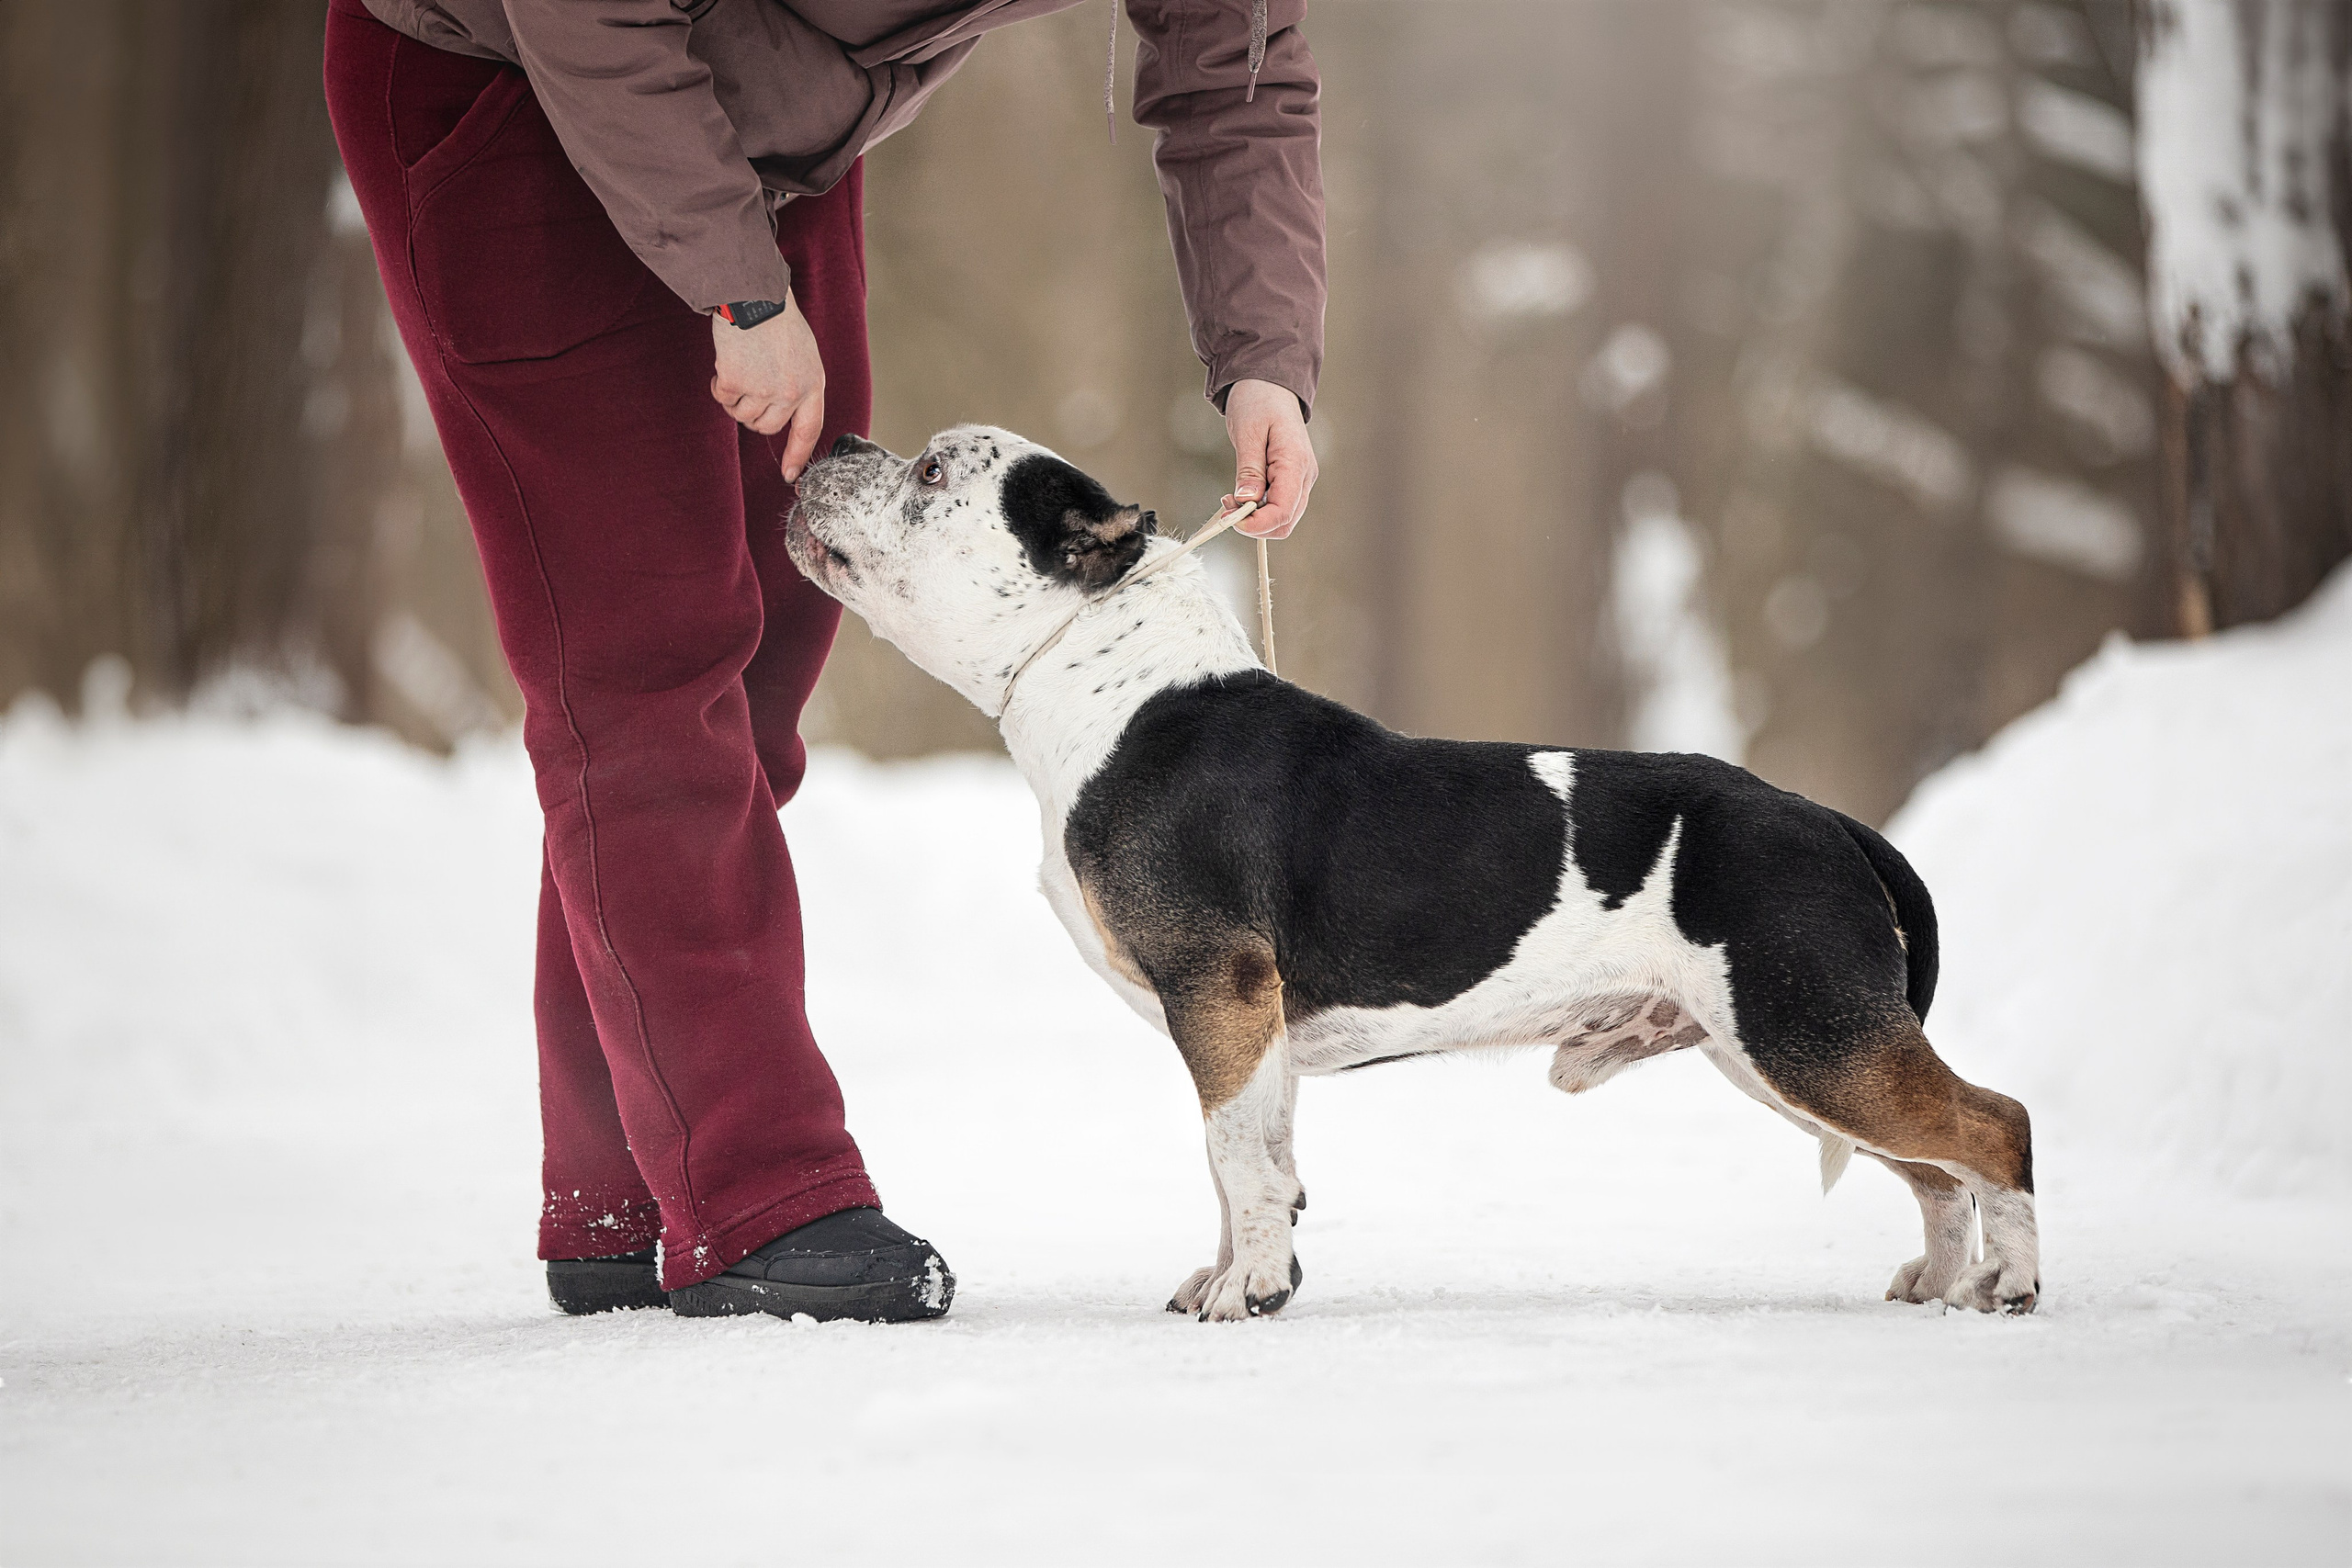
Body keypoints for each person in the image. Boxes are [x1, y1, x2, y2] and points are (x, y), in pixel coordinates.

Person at [322, 0, 1326, 1322]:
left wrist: (1263, 359)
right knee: (648, 661)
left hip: (777, 146)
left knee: (768, 655)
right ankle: (757, 1192)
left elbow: (1236, 60)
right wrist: (735, 283)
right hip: (528, 96)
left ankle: (629, 1189)